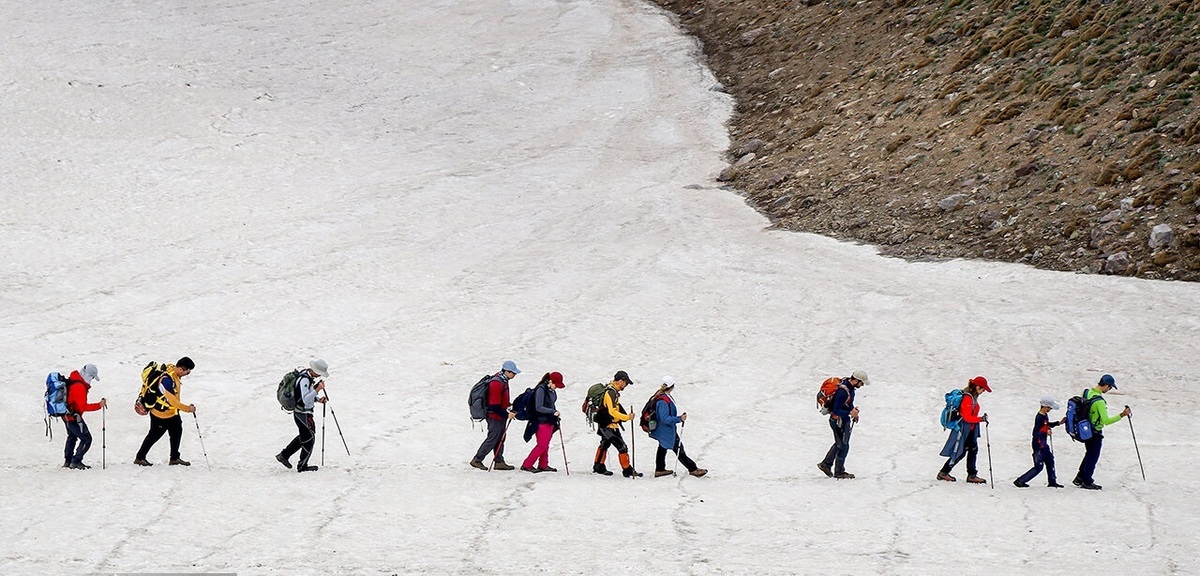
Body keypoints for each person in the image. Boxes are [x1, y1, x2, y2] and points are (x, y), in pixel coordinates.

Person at [134, 357, 196, 466]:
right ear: (181, 369)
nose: (188, 374)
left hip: (172, 413)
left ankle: (174, 458)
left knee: (177, 432)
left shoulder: (172, 370)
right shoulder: (167, 380)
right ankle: (140, 458)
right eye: (188, 371)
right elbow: (172, 401)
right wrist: (187, 409)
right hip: (160, 415)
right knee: (153, 436)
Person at [1073, 374, 1131, 490]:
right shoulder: (1100, 401)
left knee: (1089, 454)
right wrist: (1122, 415)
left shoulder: (1086, 392)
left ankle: (1080, 477)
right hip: (1095, 432)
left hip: (1084, 429)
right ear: (1107, 385)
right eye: (1110, 388)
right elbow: (1106, 421)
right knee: (1093, 456)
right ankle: (1087, 481)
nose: (1109, 390)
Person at [276, 360, 330, 473]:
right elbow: (305, 399)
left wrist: (318, 399)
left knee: (305, 436)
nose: (320, 375)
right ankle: (302, 466)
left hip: (303, 413)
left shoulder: (307, 376)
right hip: (302, 413)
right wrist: (318, 389)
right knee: (309, 438)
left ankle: (284, 455)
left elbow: (305, 395)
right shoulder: (304, 380)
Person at [649, 376, 707, 478]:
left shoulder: (662, 396)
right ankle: (693, 469)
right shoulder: (663, 401)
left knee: (662, 447)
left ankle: (660, 469)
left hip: (664, 429)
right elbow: (664, 418)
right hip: (666, 430)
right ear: (672, 386)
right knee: (679, 449)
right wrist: (679, 418)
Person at [937, 376, 990, 484]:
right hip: (963, 429)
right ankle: (945, 472)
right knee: (961, 451)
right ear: (977, 387)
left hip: (970, 429)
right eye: (983, 389)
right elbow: (966, 417)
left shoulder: (972, 396)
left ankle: (970, 474)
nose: (983, 391)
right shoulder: (967, 398)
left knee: (972, 449)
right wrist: (980, 419)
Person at [817, 370, 869, 479]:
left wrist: (853, 412)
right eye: (861, 383)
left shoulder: (848, 388)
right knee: (843, 445)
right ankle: (839, 471)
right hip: (838, 421)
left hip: (841, 420)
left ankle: (826, 464)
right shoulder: (843, 391)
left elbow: (847, 404)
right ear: (855, 380)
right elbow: (836, 411)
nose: (862, 385)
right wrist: (850, 412)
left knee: (839, 444)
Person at [470, 360, 519, 471]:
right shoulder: (497, 383)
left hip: (500, 415)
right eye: (513, 373)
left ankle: (499, 461)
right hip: (494, 417)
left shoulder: (504, 380)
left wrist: (508, 406)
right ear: (507, 371)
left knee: (501, 438)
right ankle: (477, 459)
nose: (514, 375)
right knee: (493, 438)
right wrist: (507, 415)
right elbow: (494, 406)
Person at [593, 370, 641, 477]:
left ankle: (598, 466)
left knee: (605, 444)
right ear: (620, 381)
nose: (626, 385)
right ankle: (627, 469)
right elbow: (612, 411)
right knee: (622, 447)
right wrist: (627, 417)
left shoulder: (613, 391)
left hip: (606, 424)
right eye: (626, 383)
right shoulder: (611, 392)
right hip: (608, 425)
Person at [62, 364, 107, 470]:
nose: (91, 380)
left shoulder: (74, 380)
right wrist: (99, 405)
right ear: (88, 375)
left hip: (66, 416)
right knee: (87, 439)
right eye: (91, 377)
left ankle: (68, 461)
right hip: (73, 417)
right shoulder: (79, 386)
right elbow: (82, 407)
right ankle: (76, 461)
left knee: (72, 437)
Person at [1014, 396, 1065, 488]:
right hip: (1039, 445)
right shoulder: (1039, 418)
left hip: (1044, 444)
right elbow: (1036, 432)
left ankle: (1052, 481)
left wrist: (1058, 423)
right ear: (1045, 406)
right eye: (1049, 408)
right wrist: (1046, 431)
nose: (1050, 409)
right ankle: (1020, 481)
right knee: (1039, 466)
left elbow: (1046, 425)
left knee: (1050, 461)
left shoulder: (1044, 415)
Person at [521, 371, 564, 473]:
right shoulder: (541, 389)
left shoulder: (551, 390)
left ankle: (543, 464)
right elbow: (538, 407)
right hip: (540, 421)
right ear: (550, 381)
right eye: (556, 385)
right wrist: (553, 412)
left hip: (549, 421)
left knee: (546, 443)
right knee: (541, 445)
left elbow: (551, 403)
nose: (556, 387)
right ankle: (527, 464)